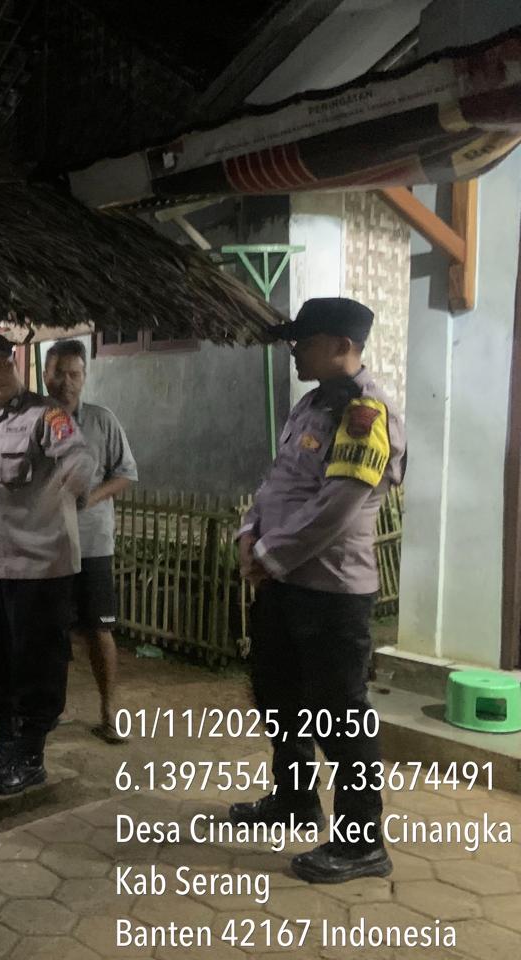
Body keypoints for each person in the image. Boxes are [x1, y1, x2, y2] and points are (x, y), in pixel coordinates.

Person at [229, 297, 406, 884]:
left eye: (304, 342)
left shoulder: (366, 413)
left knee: (340, 715)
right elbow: (278, 481)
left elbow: (338, 506)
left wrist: (268, 556)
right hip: (284, 583)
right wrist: (249, 532)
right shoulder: (310, 404)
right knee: (277, 696)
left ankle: (362, 843)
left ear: (340, 346)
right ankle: (295, 799)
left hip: (330, 592)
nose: (294, 351)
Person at [0, 333, 96, 795]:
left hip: (41, 566)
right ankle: (6, 743)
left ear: (15, 366)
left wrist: (72, 480)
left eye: (4, 365)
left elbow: (79, 458)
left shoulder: (46, 414)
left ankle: (32, 753)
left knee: (38, 665)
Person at [43, 339, 138, 743]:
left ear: (84, 376)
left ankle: (109, 712)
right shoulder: (33, 421)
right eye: (59, 373)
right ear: (45, 375)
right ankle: (53, 709)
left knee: (100, 630)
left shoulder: (102, 421)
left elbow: (127, 473)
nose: (66, 382)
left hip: (92, 544)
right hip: (45, 546)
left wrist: (90, 498)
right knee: (52, 630)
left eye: (74, 374)